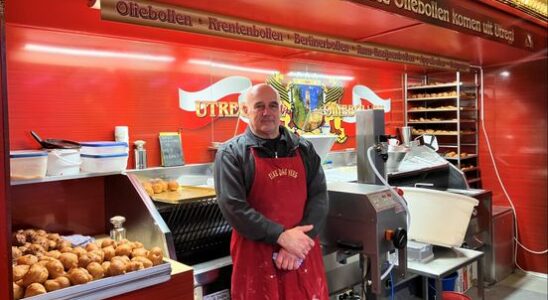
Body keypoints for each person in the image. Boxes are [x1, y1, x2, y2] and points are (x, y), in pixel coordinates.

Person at [214, 83, 329, 300]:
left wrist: (299, 243)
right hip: (256, 259)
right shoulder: (231, 154)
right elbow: (233, 207)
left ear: (281, 109)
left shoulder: (303, 148)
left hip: (302, 253)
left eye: (273, 105)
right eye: (259, 106)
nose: (267, 112)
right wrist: (282, 237)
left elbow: (319, 196)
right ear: (245, 110)